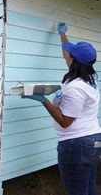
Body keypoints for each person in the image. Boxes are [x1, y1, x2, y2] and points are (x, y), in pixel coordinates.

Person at [21, 22, 101, 195]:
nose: (67, 55)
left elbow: (65, 122)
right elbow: (67, 51)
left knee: (77, 191)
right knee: (89, 187)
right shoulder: (89, 76)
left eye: (70, 54)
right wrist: (62, 34)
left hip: (77, 145)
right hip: (93, 141)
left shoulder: (75, 88)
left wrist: (43, 100)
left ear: (73, 60)